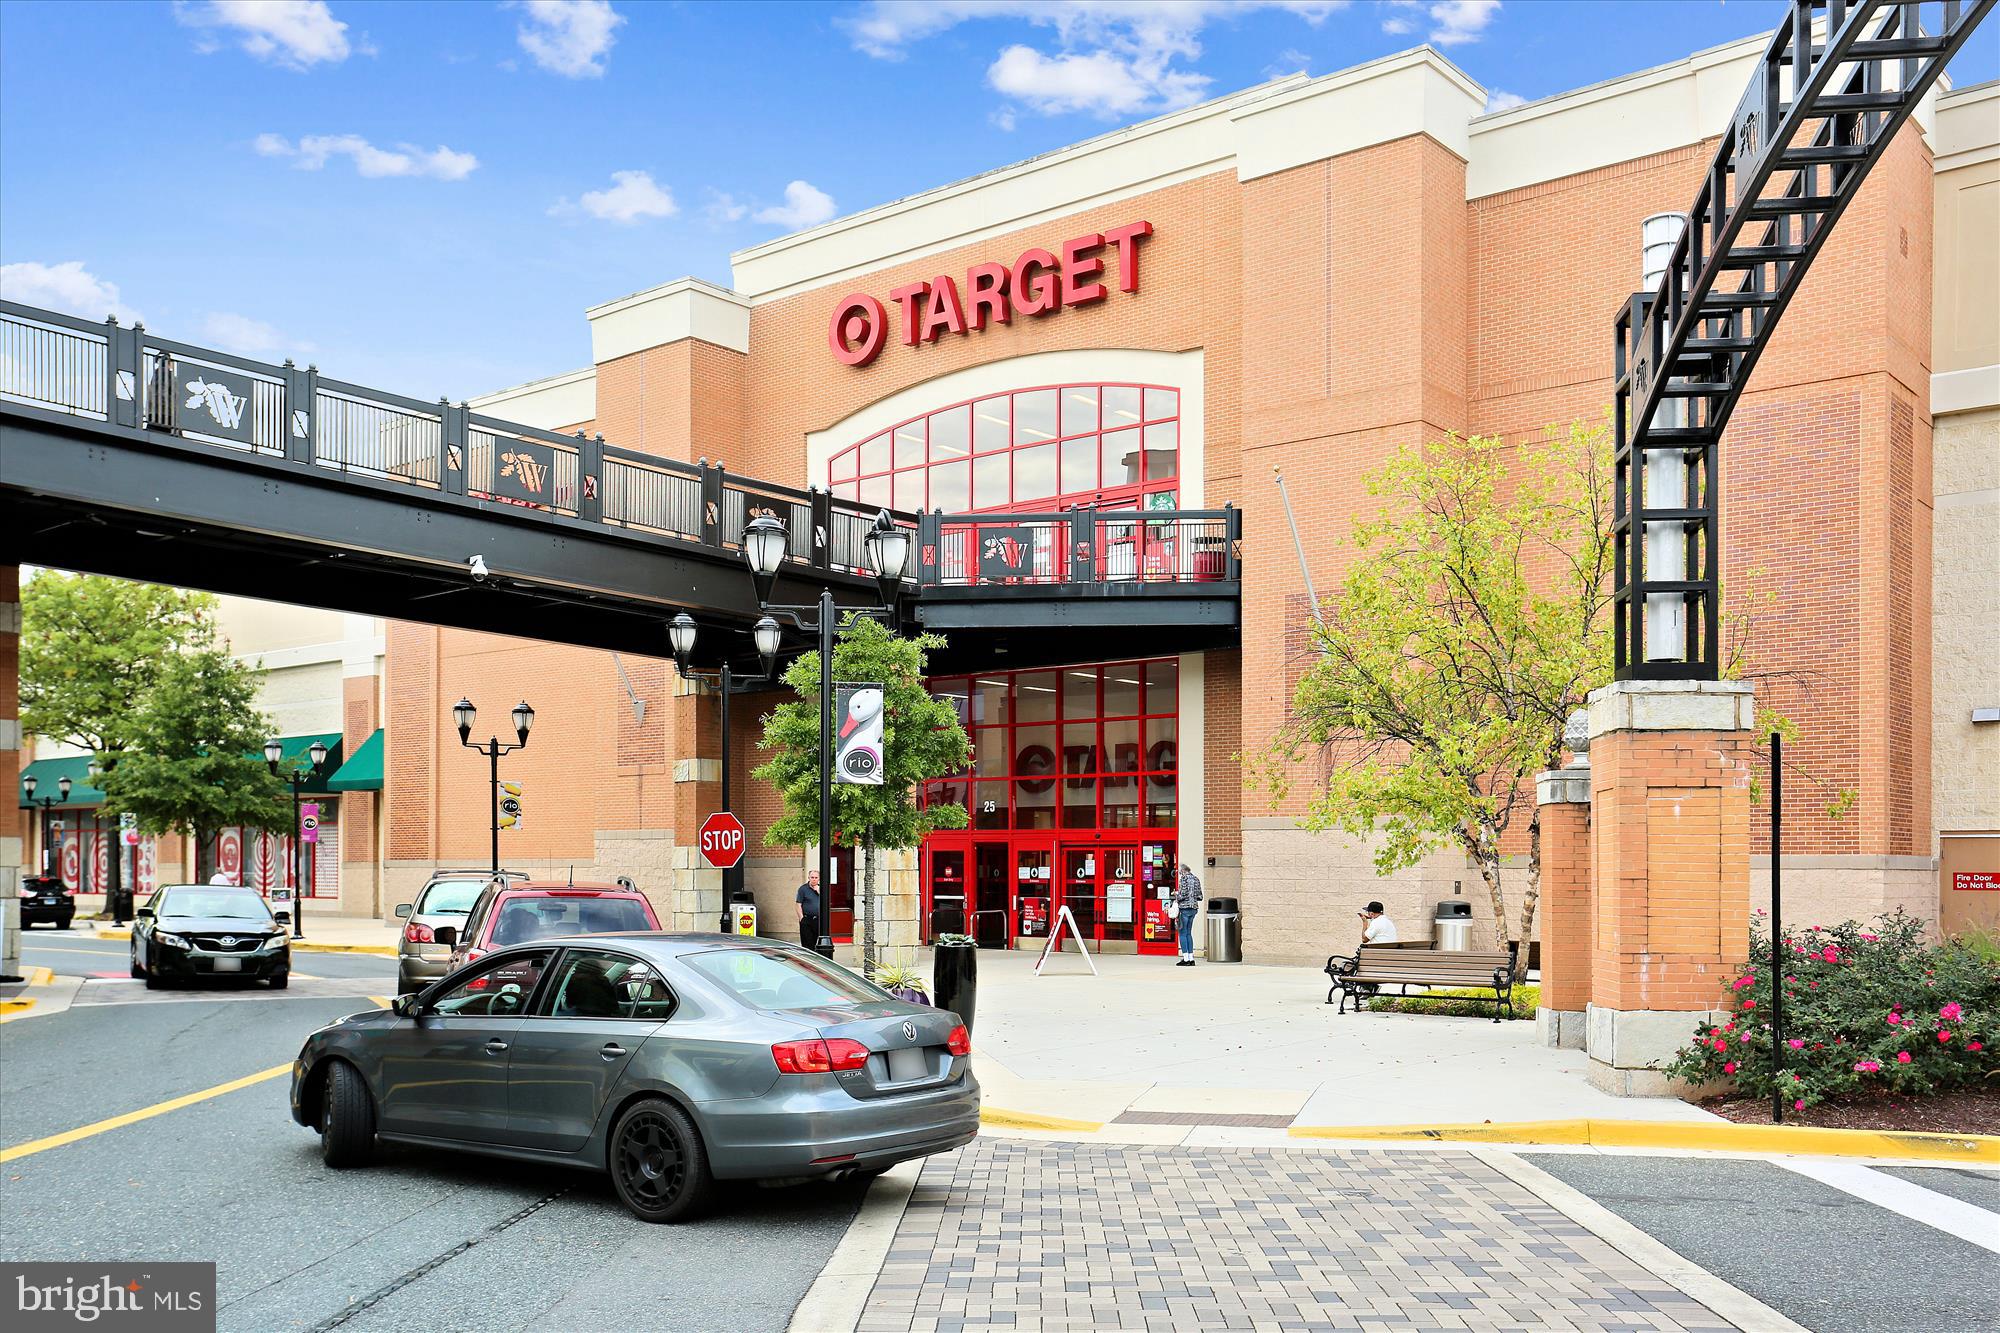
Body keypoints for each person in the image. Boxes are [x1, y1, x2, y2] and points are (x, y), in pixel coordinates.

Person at [1170, 860, 1203, 966]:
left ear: (1183, 871)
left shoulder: (1184, 879)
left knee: (1182, 933)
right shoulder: (1196, 879)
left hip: (1184, 908)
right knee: (1188, 933)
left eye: (1179, 872)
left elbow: (1183, 895)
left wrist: (1176, 895)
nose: (1179, 874)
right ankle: (1191, 958)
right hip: (1193, 909)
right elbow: (1200, 896)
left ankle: (1185, 958)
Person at [795, 870, 822, 949]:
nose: (814, 879)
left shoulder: (822, 889)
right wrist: (801, 918)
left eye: (816, 877)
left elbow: (827, 901)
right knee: (807, 943)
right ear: (809, 878)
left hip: (818, 919)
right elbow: (798, 904)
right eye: (812, 877)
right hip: (807, 919)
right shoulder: (803, 889)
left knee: (818, 943)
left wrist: (818, 891)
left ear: (819, 879)